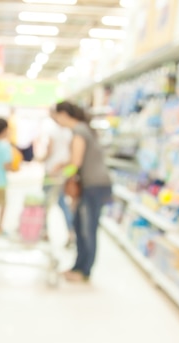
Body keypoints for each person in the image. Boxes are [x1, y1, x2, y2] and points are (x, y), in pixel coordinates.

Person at [53, 101, 112, 283]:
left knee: (87, 228)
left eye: (56, 116)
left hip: (93, 186)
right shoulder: (83, 129)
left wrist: (62, 174)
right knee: (80, 224)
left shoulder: (79, 131)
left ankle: (84, 271)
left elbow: (76, 163)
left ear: (63, 114)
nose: (55, 120)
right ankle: (78, 267)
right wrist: (63, 165)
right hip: (94, 184)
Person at [42, 109, 74, 242]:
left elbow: (49, 151)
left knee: (45, 201)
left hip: (51, 171)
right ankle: (71, 232)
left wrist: (40, 159)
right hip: (63, 171)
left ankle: (44, 231)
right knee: (62, 202)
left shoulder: (53, 131)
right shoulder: (70, 132)